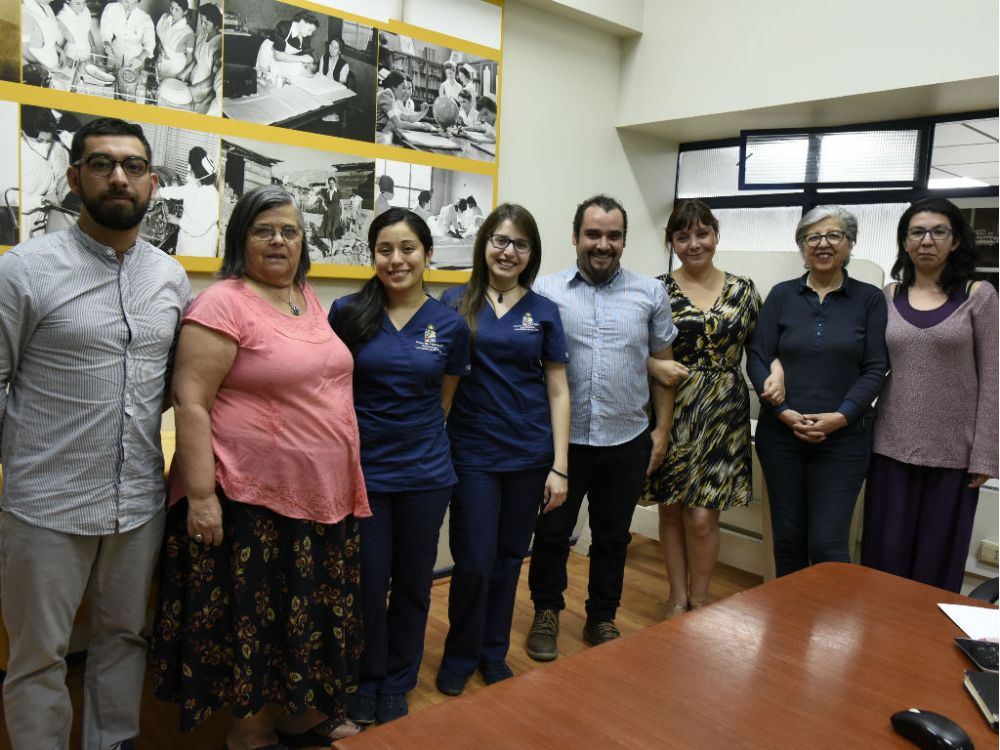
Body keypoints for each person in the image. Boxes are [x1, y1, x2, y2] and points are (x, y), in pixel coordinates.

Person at [151, 185, 370, 750]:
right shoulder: (223, 302)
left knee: (299, 620)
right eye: (263, 230)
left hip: (318, 498)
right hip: (246, 500)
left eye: (290, 231)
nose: (279, 240)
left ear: (305, 241)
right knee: (258, 623)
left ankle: (296, 715)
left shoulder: (306, 297)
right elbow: (191, 399)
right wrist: (201, 497)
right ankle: (249, 734)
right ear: (240, 239)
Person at [0, 116, 192, 750]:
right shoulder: (23, 270)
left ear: (153, 183)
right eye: (103, 163)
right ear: (74, 175)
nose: (119, 177)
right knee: (38, 656)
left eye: (133, 166)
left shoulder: (169, 278)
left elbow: (172, 382)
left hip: (136, 502)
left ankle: (113, 742)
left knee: (123, 637)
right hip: (45, 505)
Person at [329, 208, 470, 725]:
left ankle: (398, 680)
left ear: (427, 254)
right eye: (385, 249)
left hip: (425, 474)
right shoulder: (347, 313)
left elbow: (445, 403)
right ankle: (364, 677)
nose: (396, 259)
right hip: (362, 472)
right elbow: (331, 392)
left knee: (413, 580)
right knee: (367, 581)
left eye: (408, 248)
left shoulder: (451, 325)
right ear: (373, 256)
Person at [526, 195, 677, 660]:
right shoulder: (545, 292)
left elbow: (664, 368)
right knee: (552, 535)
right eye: (593, 234)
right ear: (575, 237)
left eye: (613, 236)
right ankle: (547, 612)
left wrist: (662, 432)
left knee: (613, 537)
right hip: (562, 446)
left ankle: (602, 616)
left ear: (624, 241)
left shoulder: (650, 294)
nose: (603, 244)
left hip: (626, 438)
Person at [435, 204, 570, 696]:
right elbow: (440, 383)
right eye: (500, 240)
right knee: (472, 559)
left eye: (520, 244)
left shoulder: (544, 311)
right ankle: (460, 653)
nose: (508, 251)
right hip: (470, 452)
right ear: (484, 244)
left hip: (529, 455)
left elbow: (558, 390)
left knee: (511, 558)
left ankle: (493, 652)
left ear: (531, 254)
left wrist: (560, 466)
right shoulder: (453, 303)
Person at [860, 198, 998, 592]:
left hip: (953, 455)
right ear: (905, 242)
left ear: (955, 241)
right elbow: (870, 364)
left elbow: (993, 379)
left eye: (939, 231)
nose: (927, 240)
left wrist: (985, 453)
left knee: (935, 566)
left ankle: (924, 648)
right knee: (884, 559)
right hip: (890, 449)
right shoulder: (889, 295)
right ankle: (882, 643)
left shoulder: (979, 295)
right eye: (917, 232)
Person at [749, 205, 888, 577]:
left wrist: (841, 416)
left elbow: (876, 367)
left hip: (844, 439)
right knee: (789, 540)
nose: (823, 244)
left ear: (850, 243)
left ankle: (828, 631)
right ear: (802, 245)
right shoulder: (781, 296)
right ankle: (791, 628)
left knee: (828, 543)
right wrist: (783, 412)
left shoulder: (870, 299)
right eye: (813, 237)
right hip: (781, 436)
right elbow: (759, 356)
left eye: (834, 235)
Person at [642, 200, 761, 617]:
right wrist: (653, 363)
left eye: (702, 233)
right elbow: (635, 348)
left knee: (702, 516)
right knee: (671, 508)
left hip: (724, 411)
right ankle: (676, 596)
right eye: (682, 236)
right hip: (672, 407)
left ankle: (701, 598)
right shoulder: (655, 290)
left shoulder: (744, 290)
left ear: (715, 235)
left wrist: (776, 369)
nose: (694, 244)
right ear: (672, 242)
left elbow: (761, 351)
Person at [156, 144, 219, 256]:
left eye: (190, 170)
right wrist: (158, 193)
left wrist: (177, 221)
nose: (188, 171)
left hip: (201, 246)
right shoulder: (196, 185)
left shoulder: (212, 198)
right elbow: (179, 192)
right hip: (187, 240)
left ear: (199, 174)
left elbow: (198, 229)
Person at [182, 2, 221, 112]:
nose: (202, 26)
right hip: (192, 84)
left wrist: (196, 88)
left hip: (204, 91)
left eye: (206, 23)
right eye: (201, 21)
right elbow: (197, 59)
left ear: (216, 24)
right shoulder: (202, 36)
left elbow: (214, 78)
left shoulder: (219, 45)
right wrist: (185, 72)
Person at [99, 0, 154, 70]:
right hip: (115, 51)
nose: (129, 7)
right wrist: (107, 44)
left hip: (135, 56)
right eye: (126, 2)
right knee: (112, 76)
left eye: (134, 3)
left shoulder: (145, 18)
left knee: (131, 78)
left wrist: (140, 58)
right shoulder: (111, 8)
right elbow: (105, 31)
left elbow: (150, 45)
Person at [154, 0, 193, 79]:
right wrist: (161, 50)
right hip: (160, 60)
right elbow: (160, 39)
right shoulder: (164, 18)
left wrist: (185, 75)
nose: (172, 12)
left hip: (176, 67)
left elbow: (189, 58)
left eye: (177, 9)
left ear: (185, 12)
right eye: (171, 7)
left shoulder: (188, 33)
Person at [22, 0, 64, 72]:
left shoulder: (46, 7)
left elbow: (49, 37)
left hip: (54, 65)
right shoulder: (25, 14)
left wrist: (61, 51)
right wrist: (46, 70)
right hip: (38, 71)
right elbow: (23, 52)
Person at [57, 0, 97, 64]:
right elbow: (56, 43)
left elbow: (88, 30)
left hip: (87, 55)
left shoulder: (86, 10)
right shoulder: (61, 17)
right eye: (78, 4)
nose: (82, 7)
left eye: (84, 3)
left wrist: (93, 46)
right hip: (71, 58)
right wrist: (63, 55)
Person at [319, 174, 342, 245]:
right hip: (329, 212)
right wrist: (326, 208)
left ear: (335, 183)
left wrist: (342, 215)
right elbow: (322, 202)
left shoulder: (338, 192)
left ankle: (334, 249)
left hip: (336, 212)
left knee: (334, 230)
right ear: (328, 184)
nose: (331, 185)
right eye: (330, 183)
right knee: (328, 229)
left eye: (333, 183)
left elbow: (342, 204)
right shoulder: (326, 192)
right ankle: (330, 249)